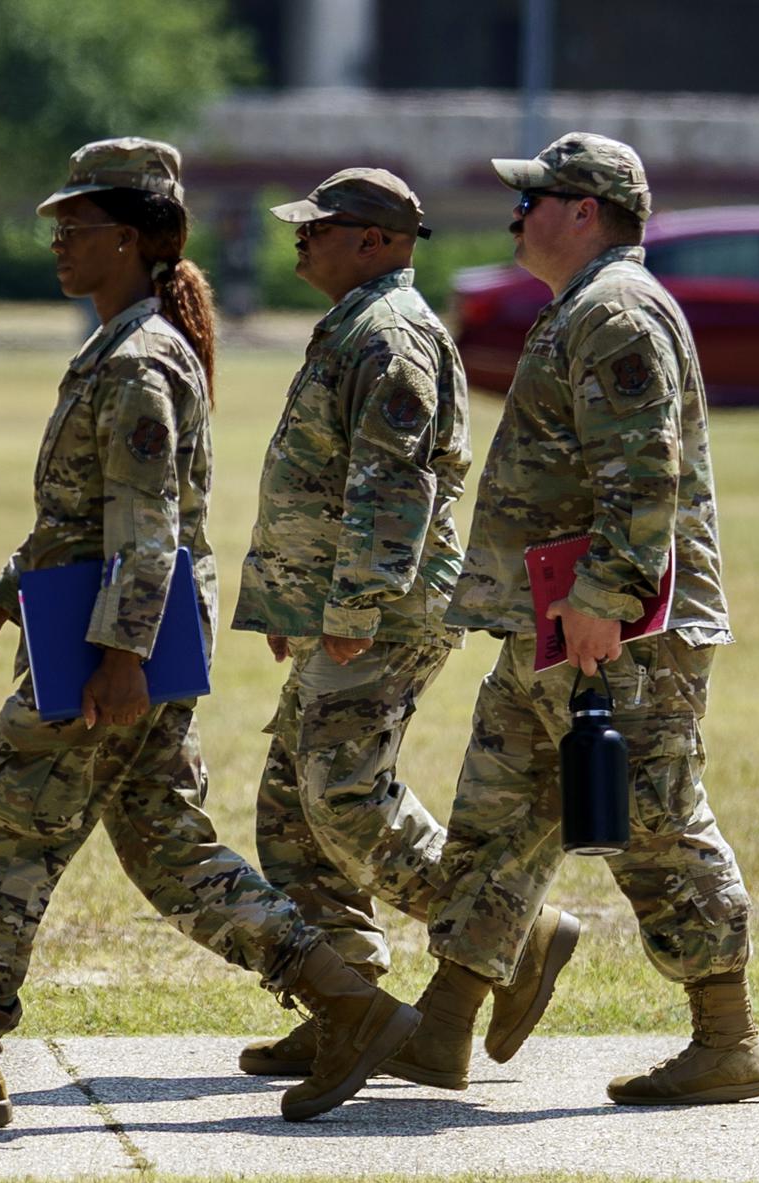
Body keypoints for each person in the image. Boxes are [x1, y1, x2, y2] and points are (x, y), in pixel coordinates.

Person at [0, 138, 419, 1128]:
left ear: (135, 239)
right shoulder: (123, 347)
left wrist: (118, 657)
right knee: (169, 848)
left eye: (79, 225)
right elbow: (77, 516)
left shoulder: (141, 360)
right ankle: (350, 1003)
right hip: (118, 627)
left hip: (110, 640)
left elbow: (147, 530)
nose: (60, 241)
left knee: (8, 842)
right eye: (58, 226)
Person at [399, 133, 759, 1105]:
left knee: (654, 820)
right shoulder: (586, 305)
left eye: (534, 198)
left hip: (619, 631)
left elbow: (645, 472)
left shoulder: (616, 311)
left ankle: (727, 1037)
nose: (516, 214)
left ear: (585, 211)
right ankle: (443, 1026)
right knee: (495, 813)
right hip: (553, 620)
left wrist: (607, 598)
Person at [227, 169, 579, 1088]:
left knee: (343, 801)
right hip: (338, 610)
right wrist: (290, 603)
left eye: (320, 226)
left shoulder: (391, 335)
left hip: (383, 615)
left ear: (376, 241)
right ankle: (348, 1006)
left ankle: (510, 932)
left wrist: (352, 609)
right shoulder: (357, 323)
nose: (301, 238)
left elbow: (395, 487)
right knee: (292, 814)